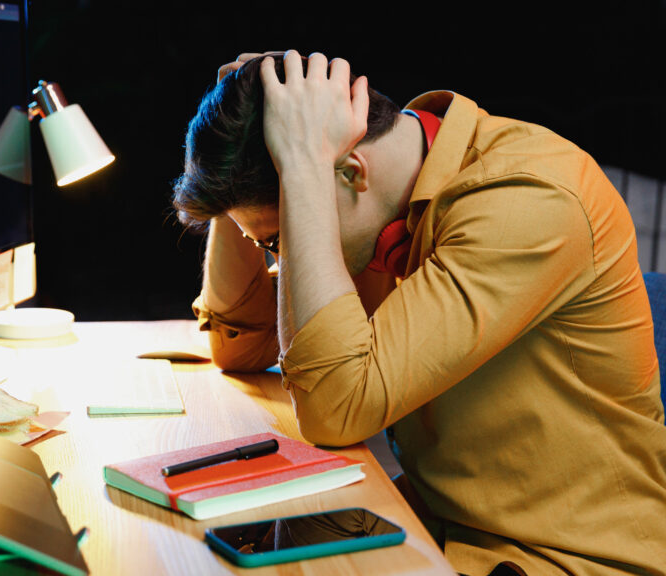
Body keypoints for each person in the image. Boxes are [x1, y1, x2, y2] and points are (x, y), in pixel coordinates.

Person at [172, 50, 666, 575]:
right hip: (437, 531)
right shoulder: (369, 200)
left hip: (564, 558)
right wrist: (245, 149)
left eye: (277, 241)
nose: (278, 258)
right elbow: (240, 346)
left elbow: (334, 407)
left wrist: (302, 172)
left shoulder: (529, 198)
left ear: (350, 172)